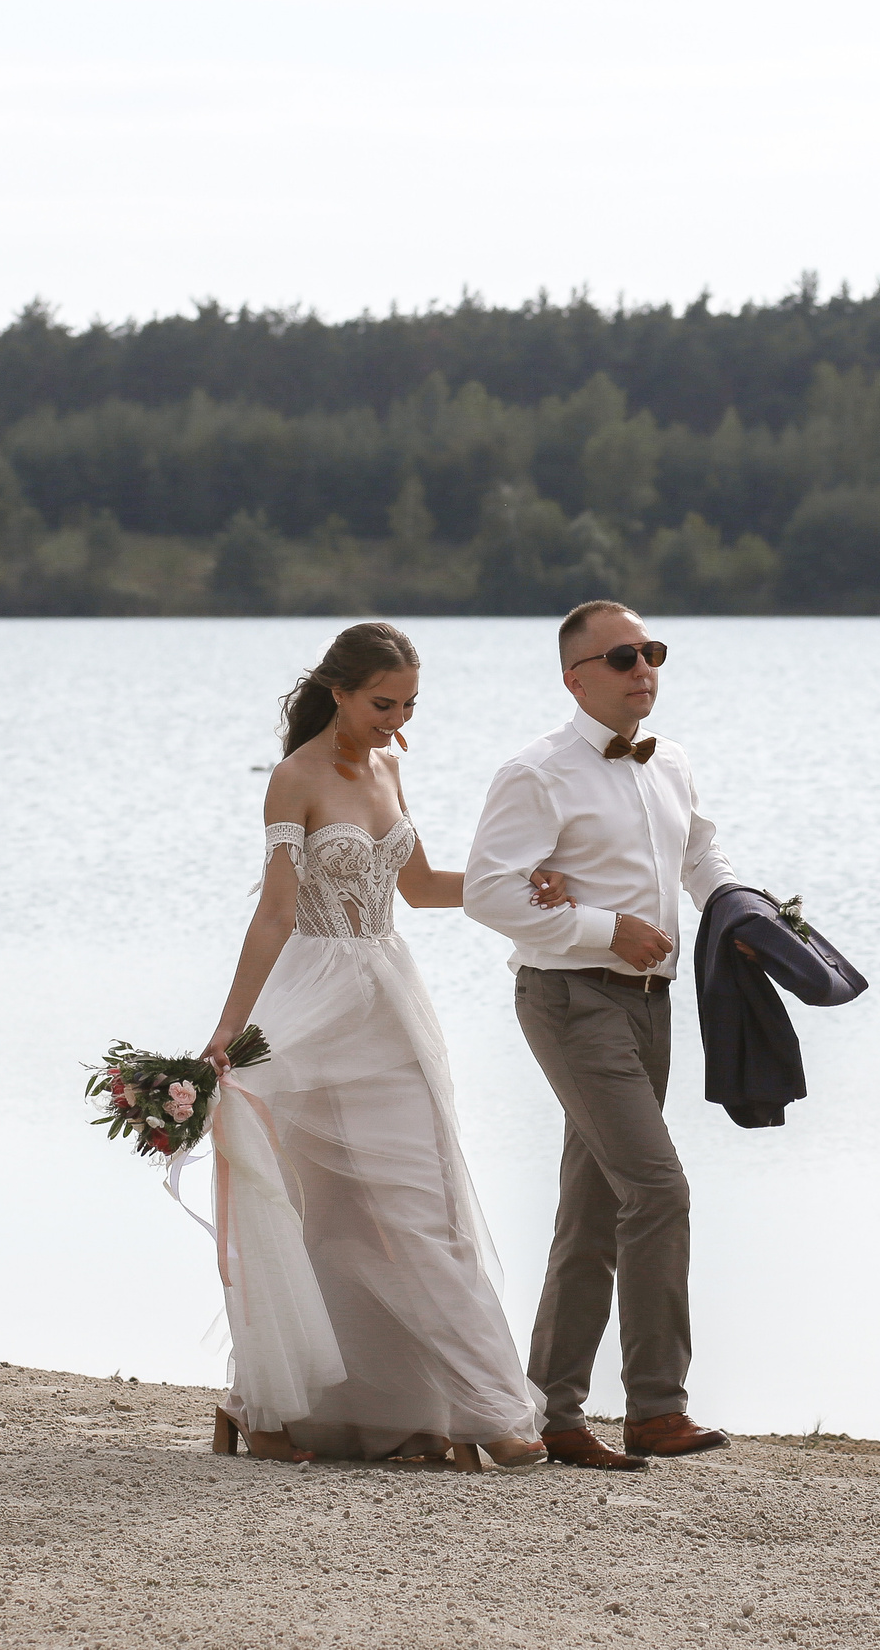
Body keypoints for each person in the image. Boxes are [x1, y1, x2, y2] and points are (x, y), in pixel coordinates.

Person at [195, 621, 555, 1469]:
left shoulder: (391, 763)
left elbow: (422, 888)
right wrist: (227, 1028)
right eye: (381, 704)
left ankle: (434, 1406)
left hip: (389, 1004)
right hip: (312, 1007)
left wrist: (520, 886)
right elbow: (278, 914)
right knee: (312, 1208)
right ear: (337, 692)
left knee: (419, 1211)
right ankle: (275, 1402)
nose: (396, 722)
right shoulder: (295, 778)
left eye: (409, 705)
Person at [463, 600, 740, 1471]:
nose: (644, 668)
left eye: (653, 651)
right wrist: (603, 927)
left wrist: (740, 911)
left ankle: (554, 1413)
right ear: (576, 677)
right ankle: (658, 1407)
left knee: (593, 1211)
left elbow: (701, 856)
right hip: (571, 1000)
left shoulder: (674, 763)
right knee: (658, 1189)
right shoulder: (536, 772)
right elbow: (487, 892)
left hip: (654, 1007)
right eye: (623, 656)